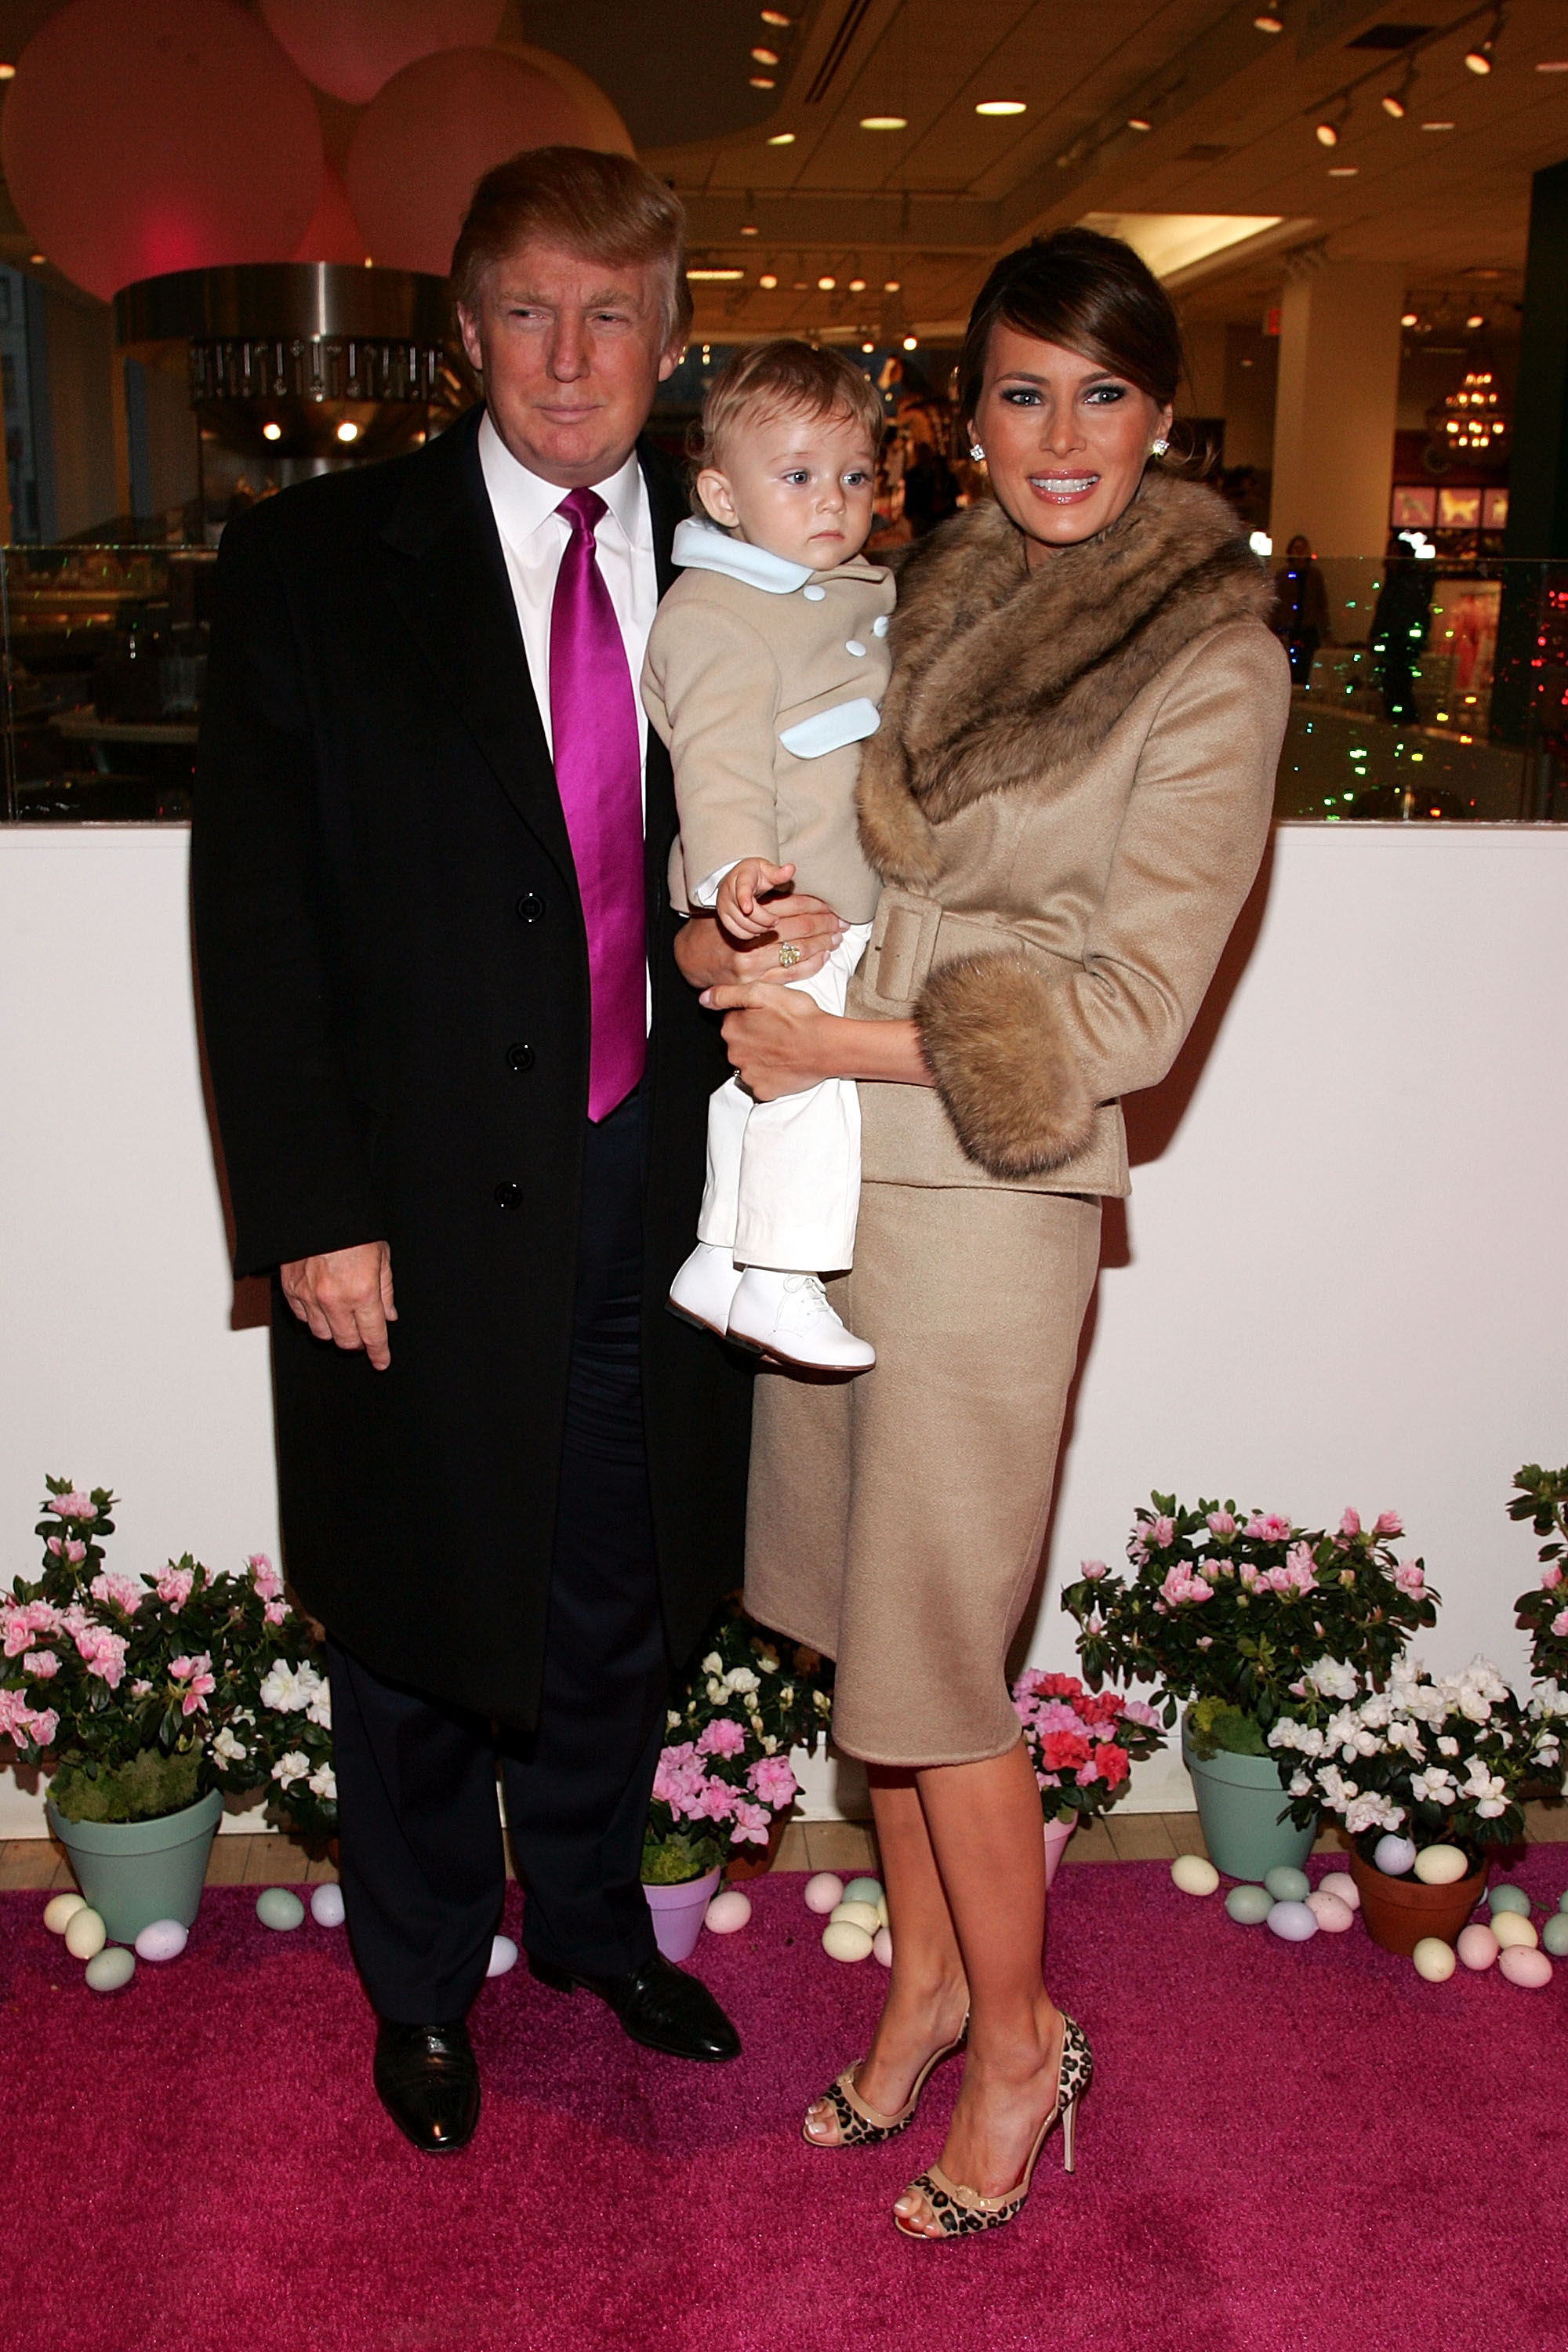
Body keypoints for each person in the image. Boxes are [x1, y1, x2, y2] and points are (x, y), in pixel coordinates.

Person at [191, 147, 842, 2156]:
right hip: (406, 1208)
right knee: (404, 1606)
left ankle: (579, 1919)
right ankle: (418, 1985)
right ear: (464, 326)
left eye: (613, 312)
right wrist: (309, 1209)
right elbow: (258, 915)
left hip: (660, 1179)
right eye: (531, 310)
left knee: (612, 1591)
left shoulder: (756, 570)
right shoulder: (311, 562)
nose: (571, 354)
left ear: (667, 343)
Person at [697, 227, 1290, 2238]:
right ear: (968, 411)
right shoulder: (924, 590)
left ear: (1157, 417)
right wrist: (750, 911)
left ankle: (1025, 2038)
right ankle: (928, 1974)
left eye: (1103, 394)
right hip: (841, 1170)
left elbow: (1126, 1016)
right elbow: (833, 824)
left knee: (935, 1660)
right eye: (1022, 390)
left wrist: (838, 1030)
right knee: (865, 1628)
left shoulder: (1214, 658)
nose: (1060, 436)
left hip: (986, 1185)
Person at [644, 342, 893, 1372]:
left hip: (831, 885)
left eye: (855, 475)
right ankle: (783, 1281)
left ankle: (717, 1256)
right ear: (723, 494)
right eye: (796, 477)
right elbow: (718, 764)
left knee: (756, 1086)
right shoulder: (718, 614)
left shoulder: (837, 589)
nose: (832, 501)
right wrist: (735, 878)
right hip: (794, 899)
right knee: (807, 1087)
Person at [1371, 532, 1432, 724]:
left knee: (1397, 686)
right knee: (1394, 686)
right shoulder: (1397, 583)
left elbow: (1404, 613)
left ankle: (1403, 723)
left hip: (1400, 644)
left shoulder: (1406, 585)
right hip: (1395, 643)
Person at [1279, 532, 1332, 688]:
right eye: (1297, 548)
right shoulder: (1283, 576)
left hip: (1308, 630)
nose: (1300, 551)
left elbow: (1321, 605)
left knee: (1305, 668)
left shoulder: (1315, 576)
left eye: (1303, 548)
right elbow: (1278, 604)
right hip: (1288, 629)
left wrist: (1326, 632)